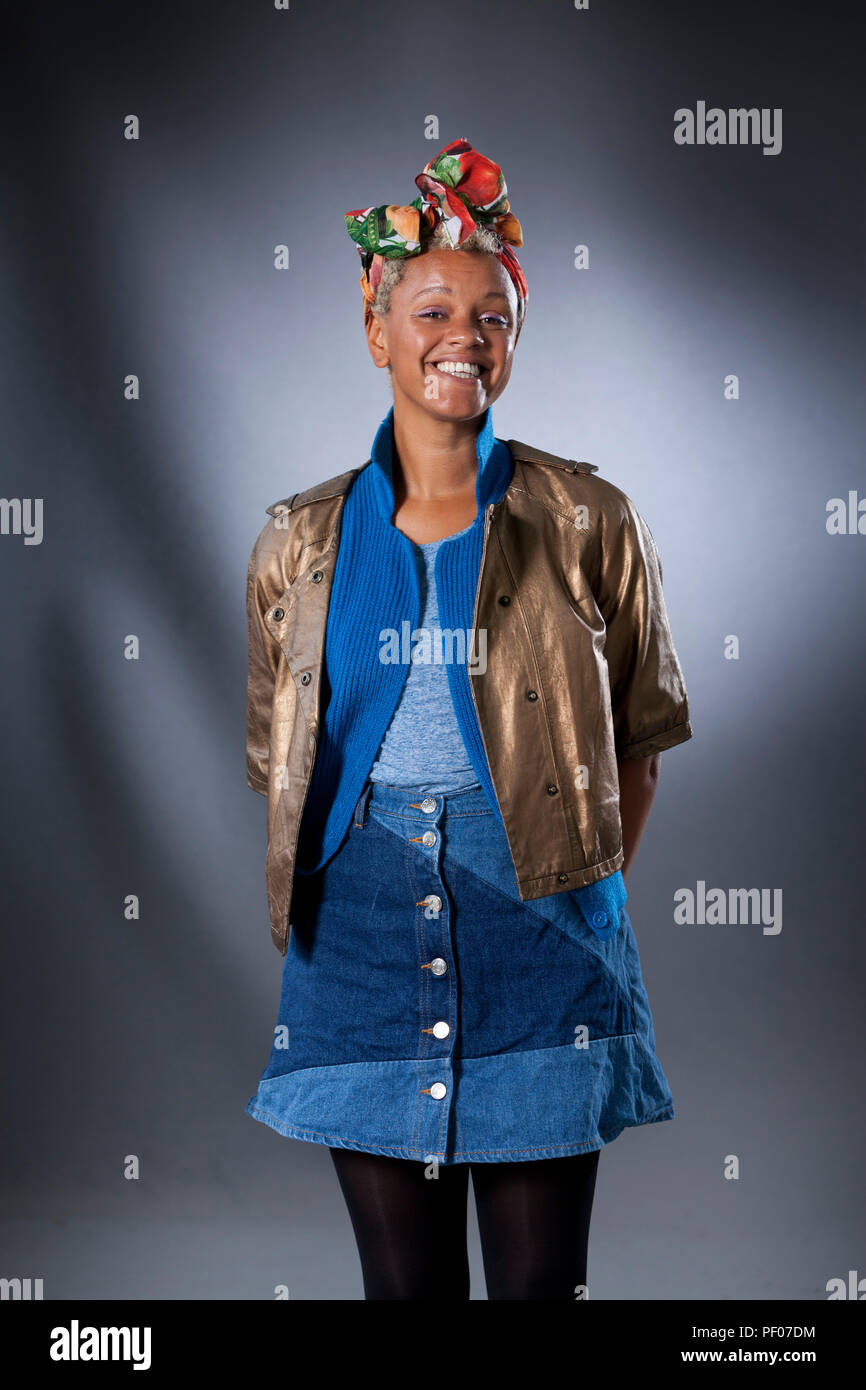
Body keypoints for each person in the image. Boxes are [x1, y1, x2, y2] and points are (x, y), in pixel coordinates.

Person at [244, 137, 693, 1300]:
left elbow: (639, 743)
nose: (463, 336)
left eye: (491, 315)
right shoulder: (297, 538)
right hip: (355, 937)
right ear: (376, 326)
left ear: (515, 336)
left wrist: (564, 890)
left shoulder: (590, 516)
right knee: (405, 1295)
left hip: (542, 926)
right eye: (432, 307)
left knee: (543, 1291)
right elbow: (278, 757)